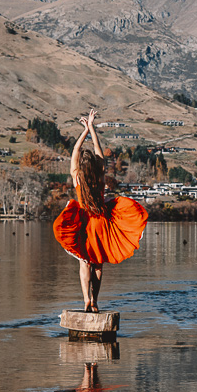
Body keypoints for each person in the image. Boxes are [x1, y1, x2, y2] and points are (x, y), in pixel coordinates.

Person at [53, 110, 148, 313]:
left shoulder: (77, 176)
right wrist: (92, 127)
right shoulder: (100, 176)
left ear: (81, 166)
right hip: (101, 221)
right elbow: (98, 149)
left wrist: (83, 132)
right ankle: (95, 300)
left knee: (84, 262)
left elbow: (74, 153)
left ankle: (86, 299)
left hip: (85, 223)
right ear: (95, 165)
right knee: (98, 264)